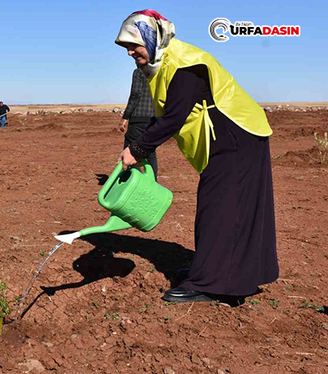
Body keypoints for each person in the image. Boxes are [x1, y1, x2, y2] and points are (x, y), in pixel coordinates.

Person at [115, 10, 278, 303]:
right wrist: (138, 146)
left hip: (236, 136)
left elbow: (173, 118)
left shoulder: (183, 64)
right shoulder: (163, 63)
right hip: (228, 138)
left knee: (220, 209)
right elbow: (165, 114)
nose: (129, 51)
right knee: (222, 208)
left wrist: (137, 150)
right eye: (125, 45)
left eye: (133, 43)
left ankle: (212, 284)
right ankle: (212, 269)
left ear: (151, 38)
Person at [119, 67, 158, 178]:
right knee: (150, 152)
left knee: (131, 150)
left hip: (138, 117)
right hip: (154, 117)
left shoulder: (139, 72)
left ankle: (133, 182)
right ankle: (153, 185)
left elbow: (135, 94)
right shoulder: (158, 71)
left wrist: (125, 117)